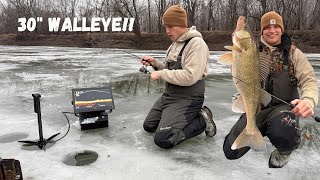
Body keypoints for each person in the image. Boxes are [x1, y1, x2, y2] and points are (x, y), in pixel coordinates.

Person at [223, 11, 319, 168]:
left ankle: (284, 151)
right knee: (230, 151)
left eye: (276, 26)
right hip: (257, 107)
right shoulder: (251, 50)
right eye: (267, 27)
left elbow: (309, 80)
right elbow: (237, 70)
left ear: (282, 29)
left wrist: (309, 100)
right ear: (261, 31)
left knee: (284, 132)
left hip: (282, 108)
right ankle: (256, 130)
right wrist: (236, 40)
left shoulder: (294, 53)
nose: (272, 30)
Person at [141, 5, 217, 149]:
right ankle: (178, 118)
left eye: (170, 26)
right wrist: (155, 64)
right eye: (165, 27)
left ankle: (202, 120)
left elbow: (190, 76)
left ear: (182, 24)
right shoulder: (174, 45)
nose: (167, 31)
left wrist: (161, 74)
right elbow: (170, 70)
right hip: (170, 95)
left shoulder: (196, 44)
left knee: (164, 139)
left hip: (188, 98)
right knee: (149, 126)